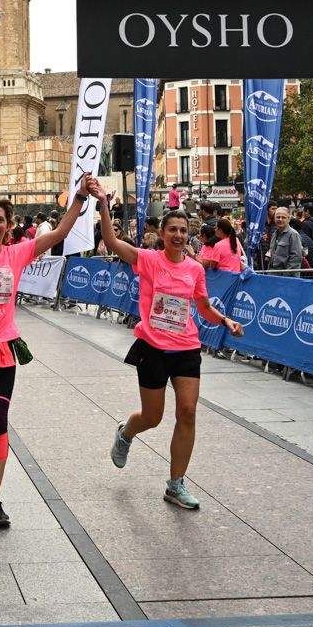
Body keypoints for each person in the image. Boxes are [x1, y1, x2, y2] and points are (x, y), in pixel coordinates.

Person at [0, 180, 95, 529]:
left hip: (3, 351)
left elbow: (59, 233)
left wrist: (81, 197)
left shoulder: (17, 253)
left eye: (0, 220)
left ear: (9, 226)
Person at [96, 192, 242, 509]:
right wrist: (105, 208)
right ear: (162, 235)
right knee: (153, 416)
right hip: (153, 347)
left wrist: (225, 320)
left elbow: (202, 306)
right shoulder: (148, 260)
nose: (178, 235)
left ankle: (175, 484)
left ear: (188, 234)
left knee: (187, 412)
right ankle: (125, 434)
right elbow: (111, 241)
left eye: (182, 230)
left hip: (186, 346)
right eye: (172, 230)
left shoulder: (195, 270)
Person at [266, 207, 305, 272]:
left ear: (289, 219)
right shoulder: (274, 234)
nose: (280, 219)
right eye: (278, 217)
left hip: (287, 277)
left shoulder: (293, 234)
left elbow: (296, 258)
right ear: (274, 219)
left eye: (283, 217)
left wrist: (286, 275)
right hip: (274, 274)